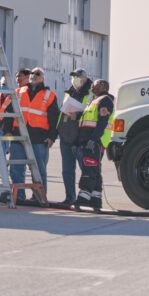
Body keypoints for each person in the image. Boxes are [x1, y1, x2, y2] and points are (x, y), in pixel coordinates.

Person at [8, 67, 58, 203]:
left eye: (38, 74)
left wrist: (52, 137)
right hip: (19, 137)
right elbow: (8, 112)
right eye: (32, 73)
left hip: (39, 139)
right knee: (16, 169)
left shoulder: (49, 95)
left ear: (43, 78)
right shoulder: (18, 92)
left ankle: (39, 197)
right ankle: (19, 197)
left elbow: (54, 119)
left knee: (39, 171)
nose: (34, 76)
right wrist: (7, 130)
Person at [74, 78, 115, 210]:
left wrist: (93, 139)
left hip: (95, 142)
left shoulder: (105, 101)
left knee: (89, 170)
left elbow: (102, 122)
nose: (92, 86)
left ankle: (83, 199)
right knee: (95, 171)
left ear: (103, 86)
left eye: (95, 84)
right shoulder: (94, 101)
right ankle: (95, 200)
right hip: (88, 141)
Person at [57, 68, 92, 205]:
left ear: (84, 78)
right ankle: (69, 197)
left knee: (86, 170)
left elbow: (91, 113)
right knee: (67, 171)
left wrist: (78, 115)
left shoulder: (90, 93)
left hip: (81, 139)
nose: (75, 79)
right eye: (73, 77)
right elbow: (61, 114)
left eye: (78, 77)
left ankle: (86, 198)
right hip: (66, 136)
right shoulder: (69, 93)